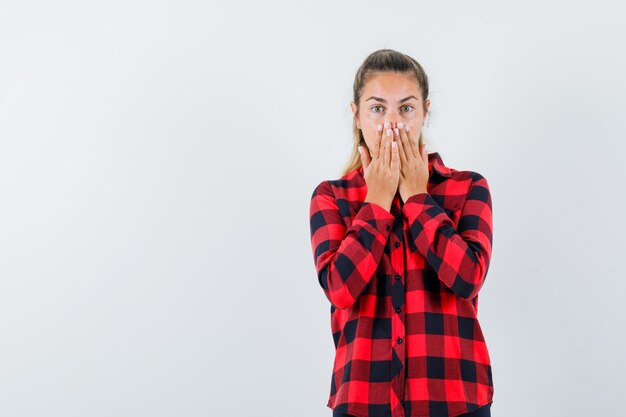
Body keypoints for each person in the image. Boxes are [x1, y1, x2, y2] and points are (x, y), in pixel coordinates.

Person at [308, 49, 495, 417]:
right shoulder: (331, 197)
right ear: (357, 115)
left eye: (406, 109)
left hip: (455, 400)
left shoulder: (468, 188)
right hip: (363, 401)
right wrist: (376, 202)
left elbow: (468, 278)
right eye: (378, 109)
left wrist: (416, 198)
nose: (392, 123)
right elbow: (340, 288)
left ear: (424, 112)